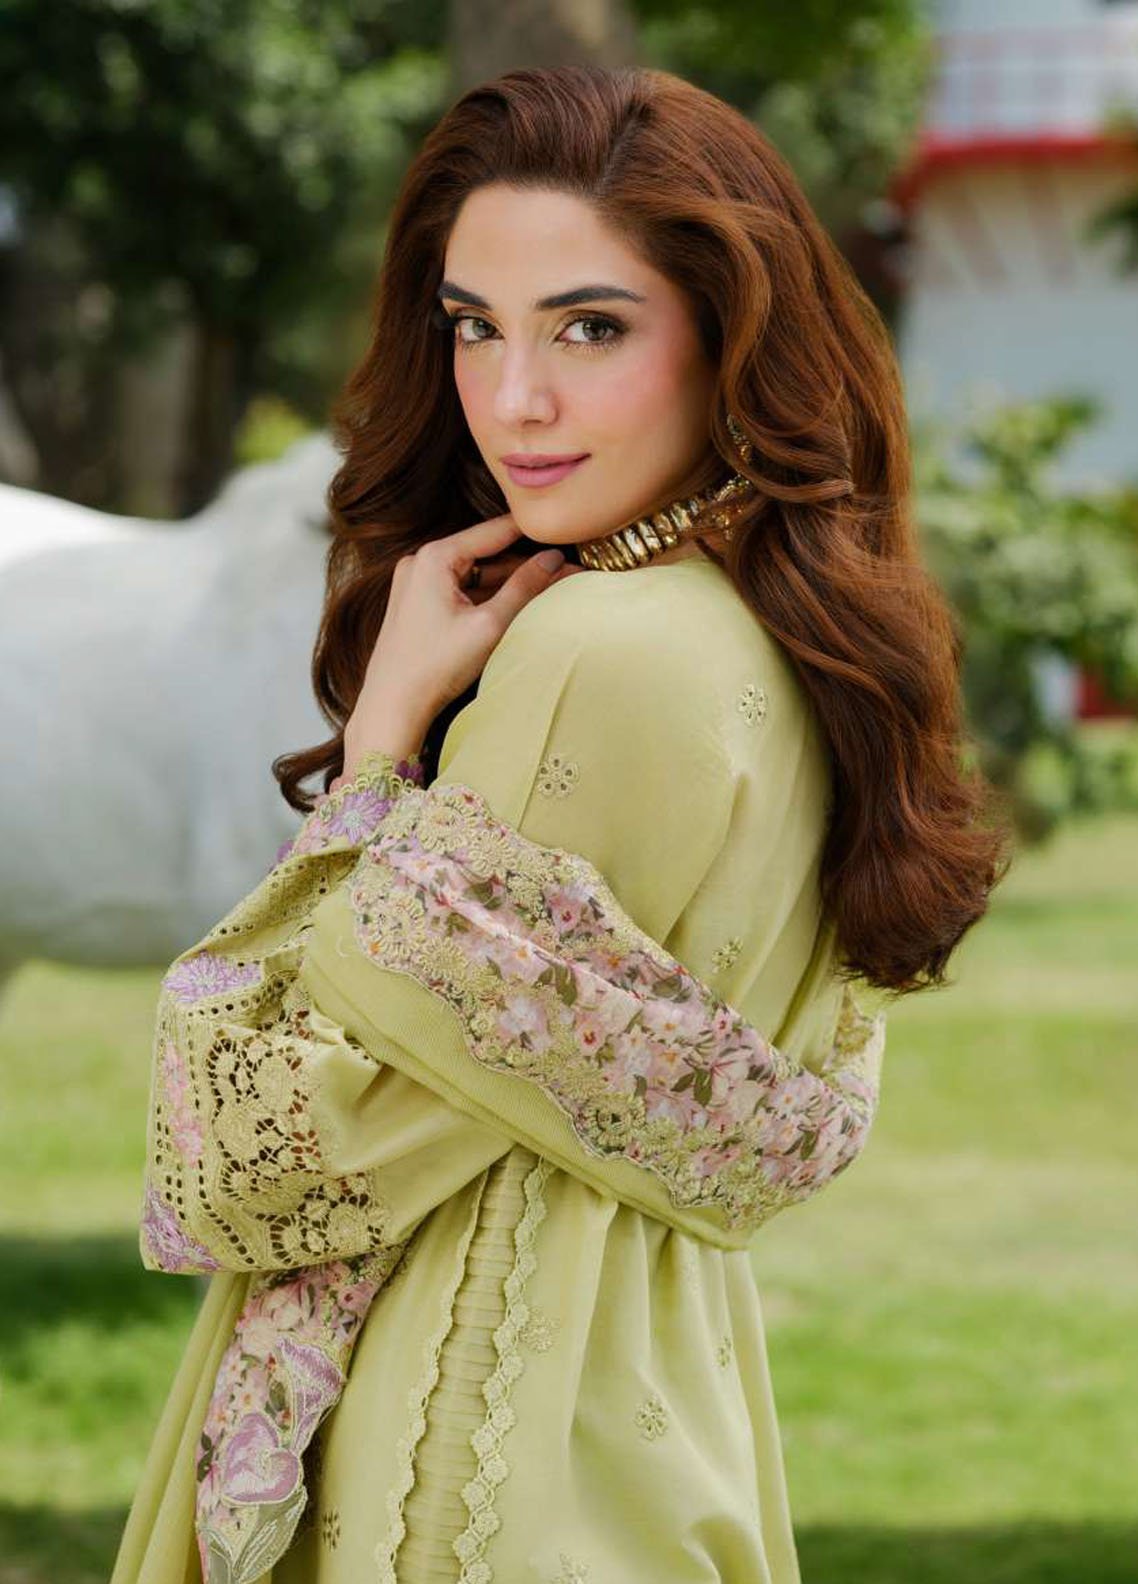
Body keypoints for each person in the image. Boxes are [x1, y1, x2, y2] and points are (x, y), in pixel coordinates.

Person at [110, 62, 1010, 1584]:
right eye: (475, 326)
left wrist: (381, 750)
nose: (514, 399)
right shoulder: (784, 633)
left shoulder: (598, 647)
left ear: (730, 334)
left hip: (468, 1425)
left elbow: (262, 1158)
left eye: (590, 328)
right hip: (652, 1397)